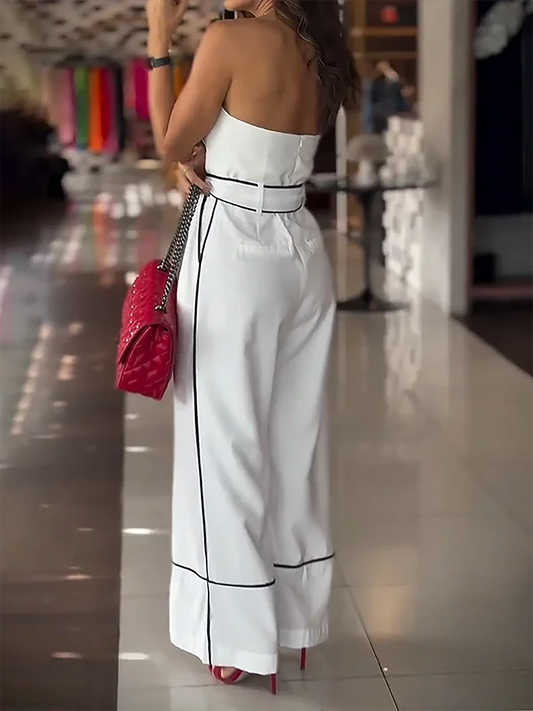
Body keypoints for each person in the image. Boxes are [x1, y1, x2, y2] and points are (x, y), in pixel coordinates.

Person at [145, 0, 360, 690]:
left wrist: (158, 39)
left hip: (235, 247)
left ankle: (234, 635)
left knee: (223, 441)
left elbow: (170, 142)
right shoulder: (319, 44)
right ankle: (293, 618)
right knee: (295, 439)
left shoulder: (230, 39)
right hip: (300, 248)